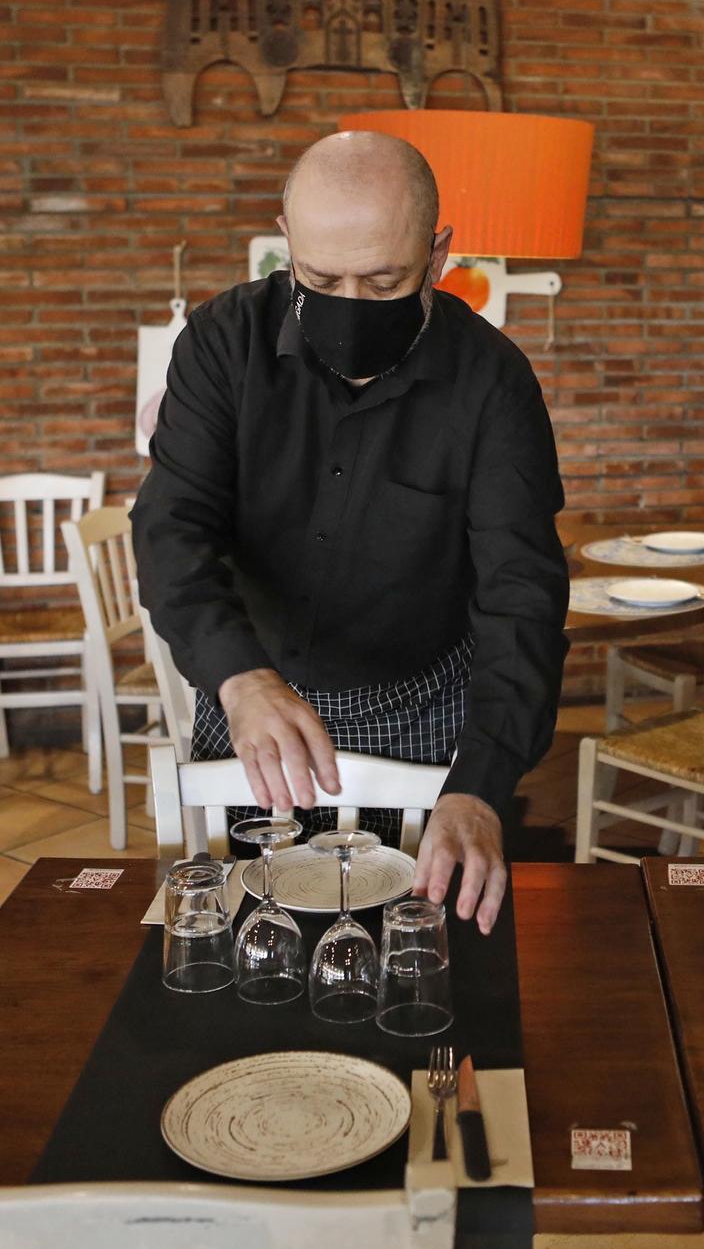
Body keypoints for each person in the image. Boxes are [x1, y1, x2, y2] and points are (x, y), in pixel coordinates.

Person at [133, 132, 569, 935]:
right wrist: (239, 677)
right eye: (321, 279)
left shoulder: (491, 380)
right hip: (254, 699)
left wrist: (481, 782)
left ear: (438, 256)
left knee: (417, 946)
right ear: (286, 240)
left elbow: (523, 590)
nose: (352, 305)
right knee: (260, 937)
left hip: (424, 706)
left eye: (384, 280)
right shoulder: (223, 345)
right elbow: (170, 526)